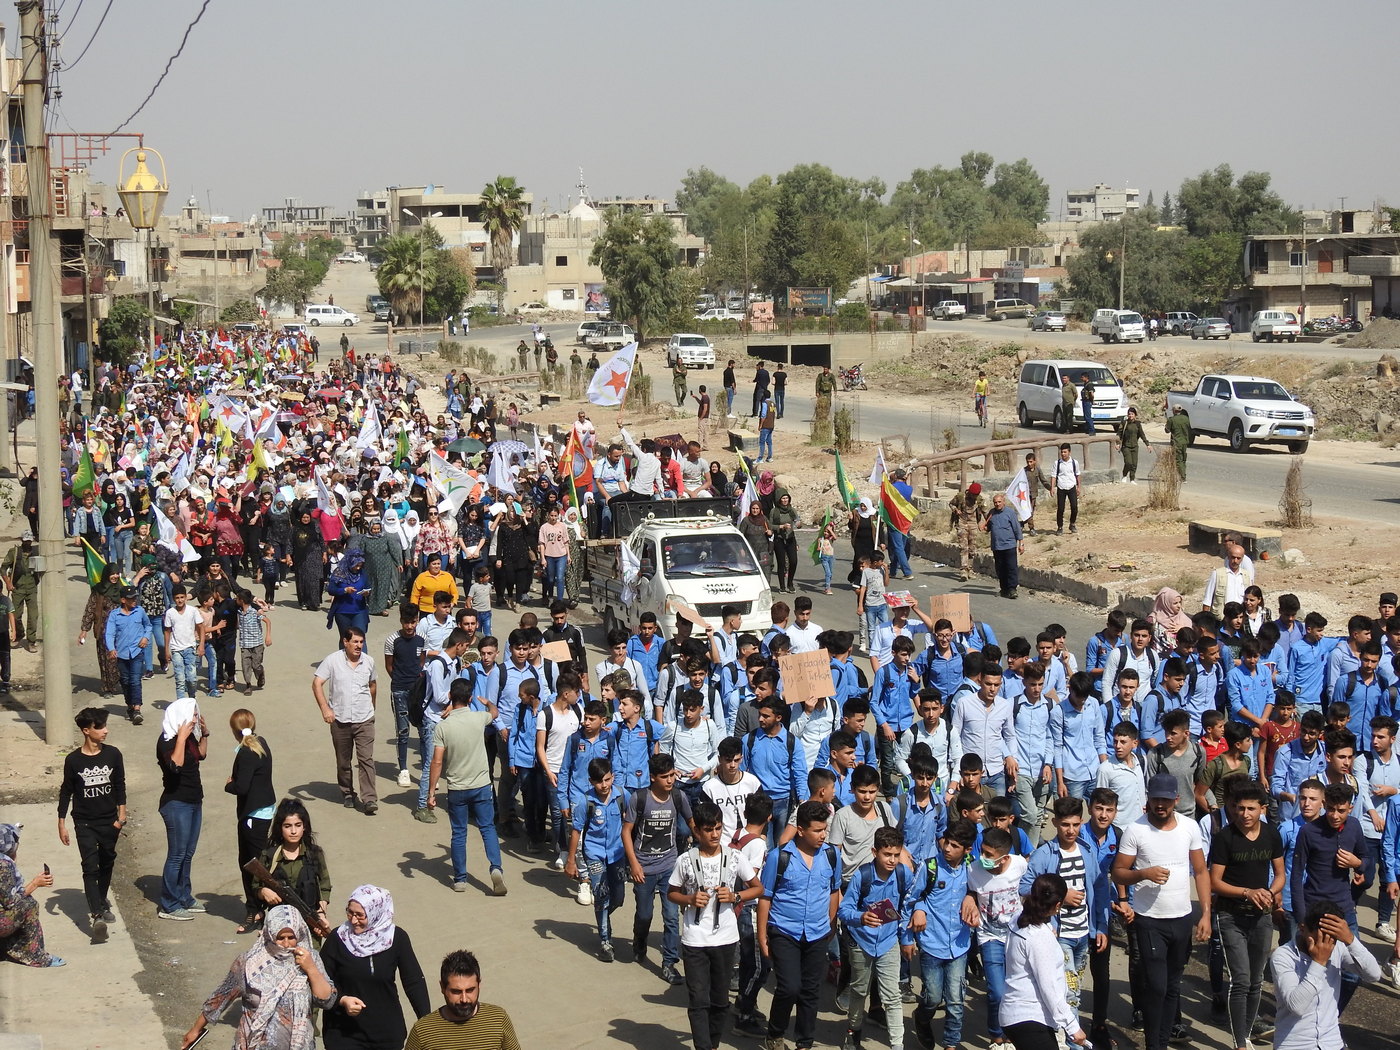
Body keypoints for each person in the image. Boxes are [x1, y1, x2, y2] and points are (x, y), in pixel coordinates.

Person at [1111, 773, 1212, 1050]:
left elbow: (1201, 871)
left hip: (1181, 919)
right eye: (1155, 799)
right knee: (1156, 986)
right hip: (1149, 920)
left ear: (1176, 800)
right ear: (1148, 799)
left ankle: (1162, 1042)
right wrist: (1143, 873)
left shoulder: (1189, 827)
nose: (1160, 805)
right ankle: (1153, 1044)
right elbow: (1118, 872)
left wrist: (1205, 913)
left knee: (1172, 986)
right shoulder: (1136, 830)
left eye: (1166, 800)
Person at [667, 798, 763, 1050]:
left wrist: (735, 896)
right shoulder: (685, 860)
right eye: (708, 829)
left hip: (726, 938)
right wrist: (689, 899)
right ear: (697, 831)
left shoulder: (735, 857)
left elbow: (757, 888)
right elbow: (671, 893)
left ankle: (712, 1044)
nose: (715, 834)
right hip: (695, 939)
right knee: (699, 1000)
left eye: (718, 828)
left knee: (720, 1002)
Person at [180, 905, 336, 1050]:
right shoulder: (249, 963)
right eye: (280, 938)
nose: (286, 944)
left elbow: (327, 1000)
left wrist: (311, 969)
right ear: (269, 934)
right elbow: (220, 998)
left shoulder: (309, 958)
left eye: (291, 937)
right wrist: (195, 1030)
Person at [757, 800, 842, 1050]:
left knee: (810, 991)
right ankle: (775, 1034)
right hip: (784, 931)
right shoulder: (779, 857)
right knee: (789, 987)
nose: (823, 835)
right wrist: (762, 937)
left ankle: (805, 1042)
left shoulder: (831, 855)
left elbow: (834, 891)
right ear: (801, 830)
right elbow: (765, 898)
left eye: (824, 829)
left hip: (817, 933)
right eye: (817, 830)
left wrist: (831, 924)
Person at [1208, 779, 1284, 1050]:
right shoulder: (1224, 838)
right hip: (1230, 917)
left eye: (1251, 808)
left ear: (1262, 808)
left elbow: (1280, 874)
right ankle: (1239, 1042)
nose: (1245, 814)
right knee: (1240, 980)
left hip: (1262, 916)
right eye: (1240, 808)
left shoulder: (1271, 834)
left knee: (1256, 980)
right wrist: (1247, 892)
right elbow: (1215, 882)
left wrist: (1270, 892)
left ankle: (1247, 1033)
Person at [321, 886, 433, 1050]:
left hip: (385, 1034)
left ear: (376, 913)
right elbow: (320, 980)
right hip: (344, 1034)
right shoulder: (337, 939)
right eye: (350, 913)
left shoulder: (396, 938)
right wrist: (342, 1000)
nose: (353, 920)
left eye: (360, 915)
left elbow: (414, 982)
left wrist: (426, 1023)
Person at [427, 679, 507, 896]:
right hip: (481, 785)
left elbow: (437, 761)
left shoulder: (443, 727)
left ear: (450, 697)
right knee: (487, 828)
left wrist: (431, 792)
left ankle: (460, 879)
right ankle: (496, 868)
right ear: (470, 698)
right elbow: (495, 713)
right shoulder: (479, 718)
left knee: (459, 832)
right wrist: (488, 702)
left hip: (457, 788)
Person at [57, 706, 128, 944]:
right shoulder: (73, 760)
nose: (105, 731)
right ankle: (97, 916)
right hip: (84, 822)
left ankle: (101, 899)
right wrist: (61, 822)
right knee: (90, 867)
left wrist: (121, 816)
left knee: (107, 862)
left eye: (105, 726)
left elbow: (120, 784)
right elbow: (66, 791)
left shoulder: (113, 754)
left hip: (109, 821)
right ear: (86, 731)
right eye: (100, 727)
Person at [1272, 900, 1381, 1050]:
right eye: (1320, 938)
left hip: (1332, 1042)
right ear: (1302, 928)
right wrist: (1319, 962)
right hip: (1295, 1044)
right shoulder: (1283, 956)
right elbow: (1296, 1006)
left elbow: (1374, 975)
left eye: (1332, 939)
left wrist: (1351, 940)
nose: (1325, 945)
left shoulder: (1337, 947)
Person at [999, 873, 1088, 1050]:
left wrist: (1047, 929)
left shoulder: (1018, 917)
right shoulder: (1039, 937)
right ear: (1058, 905)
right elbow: (1049, 987)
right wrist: (1072, 1026)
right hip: (1029, 1017)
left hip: (1013, 1015)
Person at [312, 627, 380, 816]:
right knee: (343, 760)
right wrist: (325, 709)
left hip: (364, 719)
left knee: (366, 759)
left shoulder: (369, 662)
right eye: (355, 642)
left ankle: (369, 799)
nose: (359, 646)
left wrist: (372, 707)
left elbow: (373, 685)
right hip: (340, 720)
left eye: (361, 642)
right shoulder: (332, 660)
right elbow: (317, 683)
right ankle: (348, 793)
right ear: (345, 642)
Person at [404, 949, 520, 1050]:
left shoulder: (499, 1019)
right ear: (442, 987)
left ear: (479, 985)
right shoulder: (422, 1031)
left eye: (470, 990)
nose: (464, 999)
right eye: (456, 991)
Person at [225, 708, 276, 935]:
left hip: (253, 815)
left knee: (250, 864)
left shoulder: (246, 752)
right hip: (263, 811)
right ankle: (259, 908)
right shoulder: (260, 743)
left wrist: (229, 785)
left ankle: (256, 910)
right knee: (256, 861)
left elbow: (241, 786)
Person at [157, 697, 208, 921]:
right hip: (176, 804)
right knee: (177, 855)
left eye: (196, 714)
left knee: (188, 854)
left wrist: (204, 734)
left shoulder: (189, 739)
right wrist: (181, 738)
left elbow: (201, 755)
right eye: (193, 715)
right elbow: (175, 766)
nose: (195, 719)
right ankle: (169, 904)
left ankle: (184, 896)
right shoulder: (167, 741)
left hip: (194, 800)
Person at [0, 823, 62, 966]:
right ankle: (34, 955)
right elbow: (11, 901)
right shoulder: (2, 866)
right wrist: (35, 884)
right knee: (29, 905)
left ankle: (7, 947)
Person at [1, 529, 39, 651]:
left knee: (33, 616)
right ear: (22, 540)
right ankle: (19, 633)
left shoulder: (36, 552)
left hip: (31, 588)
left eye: (29, 541)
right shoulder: (15, 552)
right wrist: (8, 583)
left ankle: (31, 641)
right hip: (17, 588)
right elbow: (3, 568)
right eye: (25, 541)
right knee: (16, 615)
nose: (28, 543)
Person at [983, 492, 1024, 599]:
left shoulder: (1010, 513)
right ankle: (1004, 589)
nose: (997, 504)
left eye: (999, 502)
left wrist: (1021, 543)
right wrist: (983, 527)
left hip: (1009, 545)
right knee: (1000, 569)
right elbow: (988, 527)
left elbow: (1017, 528)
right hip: (997, 546)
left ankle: (1012, 589)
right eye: (995, 502)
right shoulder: (991, 513)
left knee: (1011, 567)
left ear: (1004, 502)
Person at [950, 483, 986, 581]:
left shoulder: (979, 500)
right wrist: (955, 510)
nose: (974, 497)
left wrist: (987, 523)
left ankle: (970, 569)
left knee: (972, 547)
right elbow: (951, 504)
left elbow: (985, 511)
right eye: (973, 495)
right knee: (963, 547)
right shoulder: (961, 497)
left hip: (973, 523)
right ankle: (963, 570)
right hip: (962, 522)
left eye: (976, 495)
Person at [1052, 443, 1081, 535]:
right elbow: (1053, 476)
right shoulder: (1057, 463)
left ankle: (1072, 524)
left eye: (1065, 452)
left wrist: (1079, 487)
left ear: (1069, 452)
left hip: (1071, 487)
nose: (1063, 454)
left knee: (1074, 507)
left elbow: (1077, 475)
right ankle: (1060, 527)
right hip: (1061, 487)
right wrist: (1052, 487)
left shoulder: (1074, 463)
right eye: (1062, 452)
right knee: (1060, 509)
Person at [1118, 407, 1150, 483]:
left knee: (1134, 464)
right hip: (1126, 446)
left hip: (1135, 446)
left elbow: (1142, 434)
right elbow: (1119, 433)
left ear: (1135, 415)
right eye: (1129, 414)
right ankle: (1124, 475)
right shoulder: (1124, 423)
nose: (1130, 416)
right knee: (1128, 462)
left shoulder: (1138, 424)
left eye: (1132, 414)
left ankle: (1132, 479)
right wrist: (1117, 443)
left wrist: (1147, 444)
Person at [1164, 404, 1191, 481]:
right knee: (1183, 460)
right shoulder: (1186, 418)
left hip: (1176, 442)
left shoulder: (1172, 420)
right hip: (1185, 442)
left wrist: (1166, 425)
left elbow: (1167, 430)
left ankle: (1182, 477)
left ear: (1174, 411)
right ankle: (1183, 474)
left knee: (1178, 460)